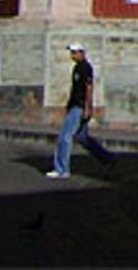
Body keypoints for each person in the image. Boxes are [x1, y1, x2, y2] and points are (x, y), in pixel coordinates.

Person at [46, 43, 115, 177]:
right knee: (82, 137)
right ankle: (107, 158)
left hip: (80, 106)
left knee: (64, 136)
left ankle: (62, 169)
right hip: (76, 105)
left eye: (74, 52)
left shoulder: (85, 68)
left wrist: (87, 107)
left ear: (81, 53)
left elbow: (88, 88)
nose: (72, 55)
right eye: (71, 53)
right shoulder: (77, 68)